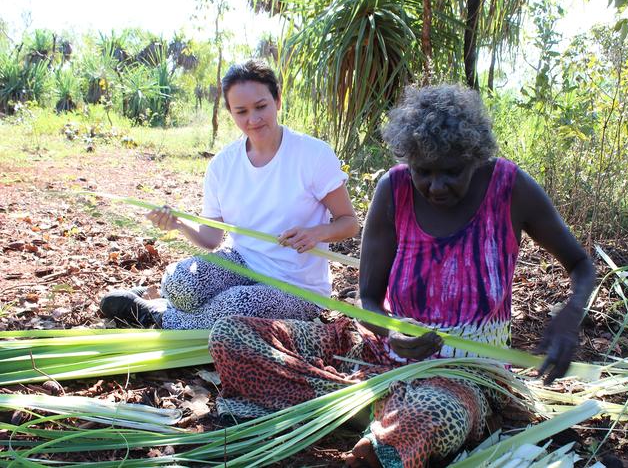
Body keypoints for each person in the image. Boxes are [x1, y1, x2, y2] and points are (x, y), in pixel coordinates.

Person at [207, 84, 596, 467]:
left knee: (433, 414)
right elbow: (369, 297)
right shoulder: (393, 189)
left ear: (475, 158)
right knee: (230, 336)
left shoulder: (510, 188)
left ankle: (357, 411)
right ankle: (372, 410)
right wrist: (389, 329)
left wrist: (568, 317)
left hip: (466, 376)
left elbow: (581, 265)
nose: (435, 186)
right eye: (423, 172)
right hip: (378, 356)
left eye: (451, 172)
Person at [100, 59, 359, 329]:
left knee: (235, 304)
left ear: (278, 100)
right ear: (230, 113)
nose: (253, 119)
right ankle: (170, 305)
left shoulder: (313, 155)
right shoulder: (223, 164)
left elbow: (348, 222)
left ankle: (155, 315)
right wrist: (177, 222)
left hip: (297, 287)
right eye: (241, 111)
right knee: (181, 282)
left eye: (261, 107)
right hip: (242, 263)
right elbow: (211, 239)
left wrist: (316, 233)